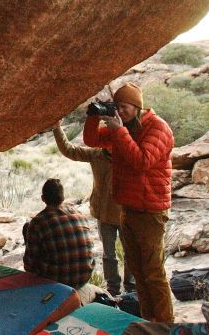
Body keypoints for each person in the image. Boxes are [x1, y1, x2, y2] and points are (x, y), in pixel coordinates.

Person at [83, 82, 175, 323]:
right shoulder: (125, 127)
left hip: (150, 211)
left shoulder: (158, 128)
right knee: (139, 273)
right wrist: (94, 116)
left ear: (137, 106)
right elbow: (91, 140)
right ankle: (149, 321)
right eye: (117, 107)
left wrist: (118, 131)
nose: (120, 112)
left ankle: (166, 325)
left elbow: (142, 161)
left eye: (124, 107)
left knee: (153, 273)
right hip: (128, 209)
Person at [52, 121, 135, 296]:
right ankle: (114, 289)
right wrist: (57, 128)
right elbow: (70, 151)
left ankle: (131, 288)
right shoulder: (97, 155)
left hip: (126, 212)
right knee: (109, 255)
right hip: (104, 213)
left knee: (130, 253)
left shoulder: (129, 155)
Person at [23, 178, 95, 289]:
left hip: (57, 280)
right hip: (83, 277)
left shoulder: (38, 222)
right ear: (63, 197)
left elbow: (29, 264)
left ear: (43, 198)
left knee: (27, 229)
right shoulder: (79, 215)